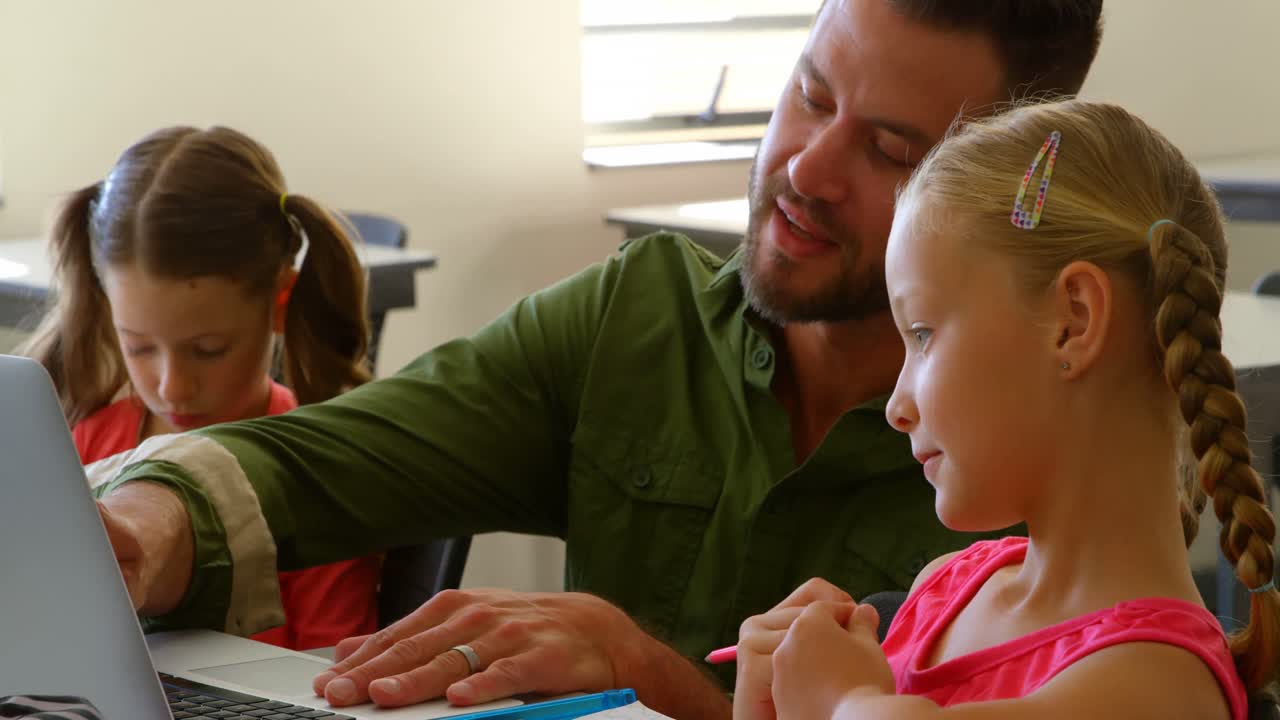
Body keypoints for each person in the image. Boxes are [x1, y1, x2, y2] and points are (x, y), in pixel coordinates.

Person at [85, 2, 1105, 717]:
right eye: (806, 91)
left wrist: (645, 675)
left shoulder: (1042, 455)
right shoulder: (634, 317)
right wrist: (144, 525)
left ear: (1001, 179)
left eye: (887, 150)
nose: (803, 167)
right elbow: (328, 457)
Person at [733, 100, 1279, 720]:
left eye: (923, 333)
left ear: (1072, 322)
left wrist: (839, 701)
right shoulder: (948, 588)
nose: (896, 406)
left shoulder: (1157, 687)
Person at [20, 126, 383, 651]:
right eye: (140, 347)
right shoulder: (83, 442)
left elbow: (334, 670)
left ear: (279, 302)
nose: (173, 387)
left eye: (209, 349)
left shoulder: (318, 475)